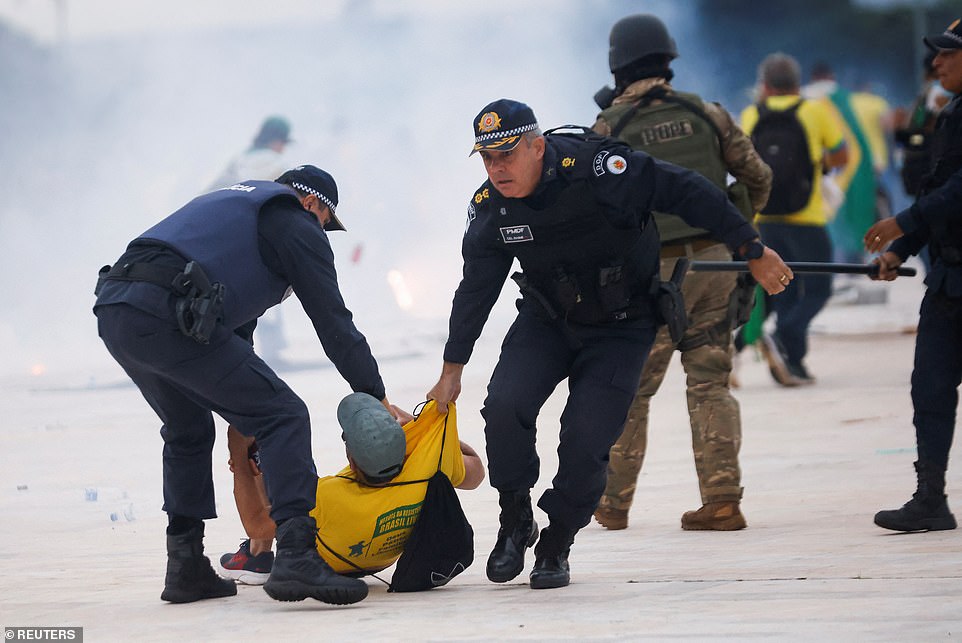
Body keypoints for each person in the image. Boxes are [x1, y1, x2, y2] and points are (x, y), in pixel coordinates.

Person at [426, 98, 793, 590]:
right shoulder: (492, 207)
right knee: (504, 405)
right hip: (548, 321)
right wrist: (453, 369)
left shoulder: (598, 169)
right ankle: (515, 517)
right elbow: (476, 288)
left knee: (586, 437)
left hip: (622, 325)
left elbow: (687, 190)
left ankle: (557, 541)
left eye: (507, 154)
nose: (497, 168)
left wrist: (751, 249)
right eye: (488, 158)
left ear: (537, 147)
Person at [93, 164, 403, 605]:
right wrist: (376, 397)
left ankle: (185, 567)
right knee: (284, 414)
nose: (321, 235)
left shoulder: (235, 208)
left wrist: (244, 411)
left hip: (117, 307)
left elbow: (235, 333)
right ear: (313, 205)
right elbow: (333, 320)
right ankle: (297, 556)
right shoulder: (295, 222)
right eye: (325, 226)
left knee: (188, 431)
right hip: (166, 312)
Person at [588, 14, 773, 532]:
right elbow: (758, 177)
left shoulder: (608, 128)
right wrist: (739, 233)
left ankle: (612, 502)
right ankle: (721, 500)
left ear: (617, 62)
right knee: (710, 381)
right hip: (717, 263)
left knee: (630, 389)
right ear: (668, 59)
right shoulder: (707, 113)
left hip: (652, 274)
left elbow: (595, 208)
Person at [864, 18, 962, 534]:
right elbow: (938, 199)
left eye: (948, 54)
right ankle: (930, 498)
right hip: (949, 281)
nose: (936, 63)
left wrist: (902, 223)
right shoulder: (951, 115)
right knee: (930, 388)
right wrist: (902, 250)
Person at [218, 394, 485, 584]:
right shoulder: (425, 471)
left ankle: (257, 554)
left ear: (351, 460)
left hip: (333, 562)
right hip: (384, 558)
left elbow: (256, 523)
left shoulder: (326, 496)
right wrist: (422, 436)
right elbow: (476, 471)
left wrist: (239, 454)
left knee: (289, 467)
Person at [741, 53, 849, 385]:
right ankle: (788, 339)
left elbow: (740, 161)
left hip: (765, 217)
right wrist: (819, 166)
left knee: (782, 288)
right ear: (796, 83)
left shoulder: (750, 114)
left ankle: (793, 361)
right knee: (818, 288)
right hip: (807, 216)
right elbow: (842, 154)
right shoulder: (815, 110)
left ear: (765, 85)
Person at [208, 116, 295, 366]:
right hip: (253, 235)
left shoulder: (239, 160)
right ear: (276, 140)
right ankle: (258, 352)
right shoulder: (274, 163)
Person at [804, 62, 876, 265]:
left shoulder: (801, 97)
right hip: (841, 168)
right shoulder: (844, 99)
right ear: (832, 77)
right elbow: (855, 147)